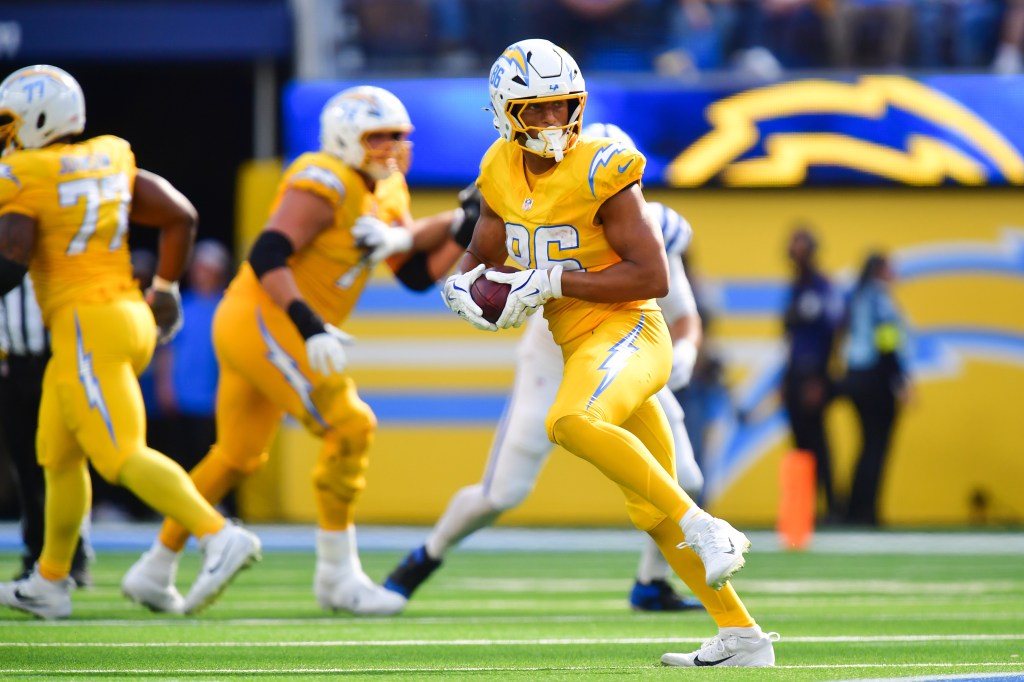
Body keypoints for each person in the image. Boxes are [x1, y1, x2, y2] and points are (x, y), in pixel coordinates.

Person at [435, 38, 777, 667]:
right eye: (535, 110)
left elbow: (653, 278)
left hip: (630, 331)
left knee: (570, 421)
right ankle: (743, 637)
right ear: (506, 111)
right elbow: (485, 245)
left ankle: (705, 525)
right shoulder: (498, 168)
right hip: (578, 339)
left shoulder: (603, 165)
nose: (550, 122)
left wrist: (555, 280)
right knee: (651, 508)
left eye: (561, 106)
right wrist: (459, 280)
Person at [121, 85, 473, 617]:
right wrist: (309, 325)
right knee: (350, 425)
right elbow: (268, 252)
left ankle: (155, 567)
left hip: (267, 323)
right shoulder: (323, 179)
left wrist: (463, 226)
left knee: (237, 456)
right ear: (343, 138)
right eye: (378, 137)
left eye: (400, 136)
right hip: (269, 319)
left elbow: (418, 274)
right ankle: (337, 575)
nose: (393, 147)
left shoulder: (388, 189)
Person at [384, 122, 706, 614]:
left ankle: (652, 582)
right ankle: (423, 559)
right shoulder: (529, 205)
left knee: (685, 477)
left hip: (622, 347)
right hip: (553, 357)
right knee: (501, 492)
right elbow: (485, 257)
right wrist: (472, 284)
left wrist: (682, 354)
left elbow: (680, 311)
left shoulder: (647, 222)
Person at [0, 64, 260, 620]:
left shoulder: (25, 171)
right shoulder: (110, 155)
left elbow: (13, 255)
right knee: (59, 454)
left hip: (84, 325)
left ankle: (217, 534)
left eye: (11, 120)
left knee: (120, 456)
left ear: (40, 118)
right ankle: (49, 581)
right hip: (126, 314)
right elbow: (180, 215)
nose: (7, 131)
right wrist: (165, 287)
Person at [0, 272, 93, 587]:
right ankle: (35, 554)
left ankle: (74, 555)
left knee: (64, 462)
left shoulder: (55, 252)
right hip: (12, 366)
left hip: (57, 362)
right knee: (25, 467)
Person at [840, 251, 912, 526]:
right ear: (880, 271)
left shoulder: (856, 296)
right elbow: (887, 343)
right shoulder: (879, 298)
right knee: (877, 446)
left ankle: (854, 508)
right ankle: (866, 511)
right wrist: (899, 381)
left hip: (855, 375)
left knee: (866, 444)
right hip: (876, 378)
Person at [781, 226, 842, 522]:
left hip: (813, 374)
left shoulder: (821, 287)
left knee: (818, 443)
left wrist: (819, 378)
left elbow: (830, 333)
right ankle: (805, 510)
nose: (794, 252)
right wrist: (784, 378)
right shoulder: (797, 286)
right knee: (801, 444)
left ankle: (831, 507)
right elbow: (792, 339)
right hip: (795, 374)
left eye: (799, 245)